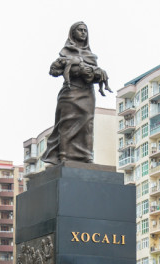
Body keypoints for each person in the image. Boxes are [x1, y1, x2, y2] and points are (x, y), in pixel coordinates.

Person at [42, 22, 110, 166]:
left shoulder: (91, 56)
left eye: (85, 30)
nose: (83, 32)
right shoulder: (65, 53)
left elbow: (95, 73)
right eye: (80, 30)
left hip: (88, 94)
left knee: (87, 124)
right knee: (66, 123)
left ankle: (87, 156)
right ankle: (63, 155)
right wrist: (76, 70)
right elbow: (53, 71)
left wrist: (96, 74)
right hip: (70, 92)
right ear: (72, 33)